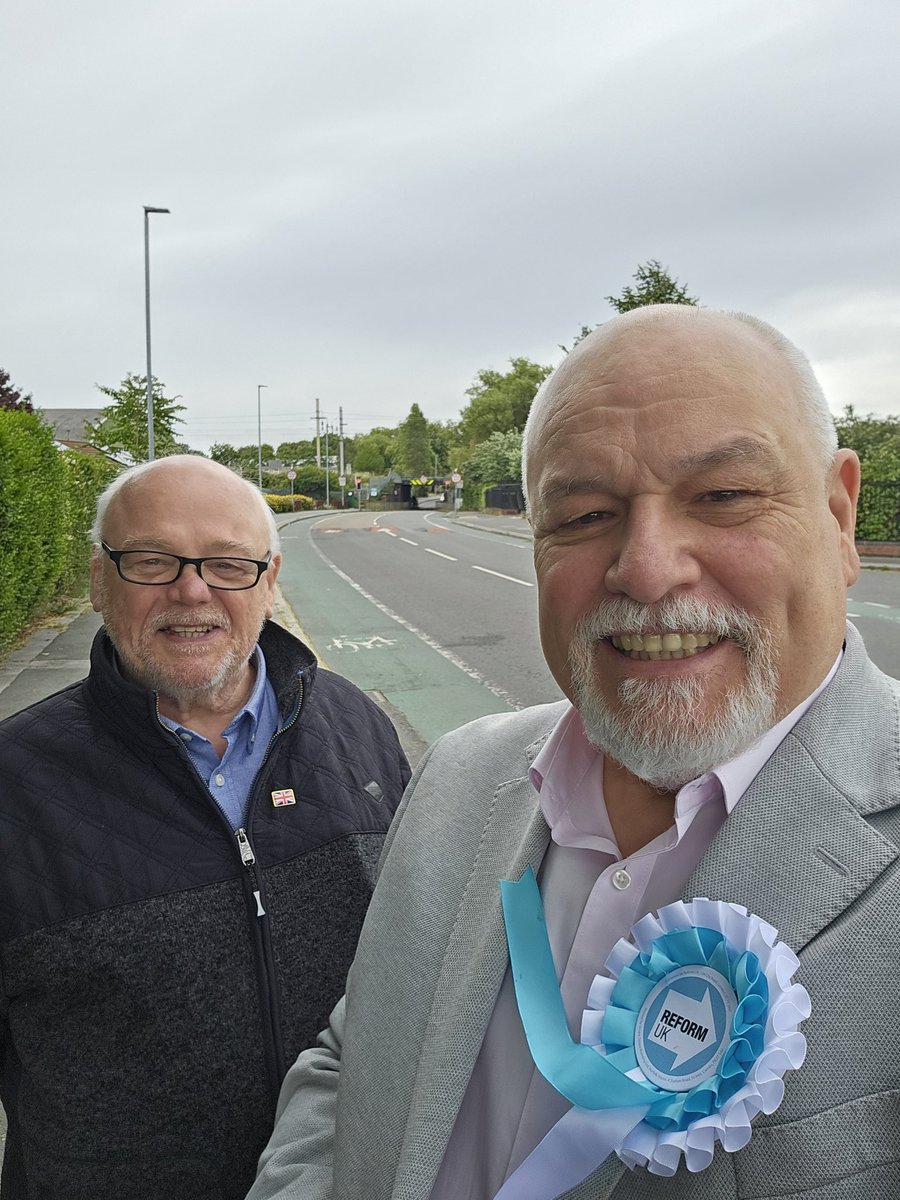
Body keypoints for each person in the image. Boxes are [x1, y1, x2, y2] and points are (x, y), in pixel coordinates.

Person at [248, 305, 900, 1200]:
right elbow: (351, 1060)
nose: (647, 567)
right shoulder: (460, 775)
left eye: (722, 496)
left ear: (838, 513)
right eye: (586, 513)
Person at [0, 455, 410, 1199]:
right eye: (152, 561)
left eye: (228, 564)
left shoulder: (356, 726)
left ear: (269, 578)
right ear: (99, 581)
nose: (192, 590)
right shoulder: (14, 782)